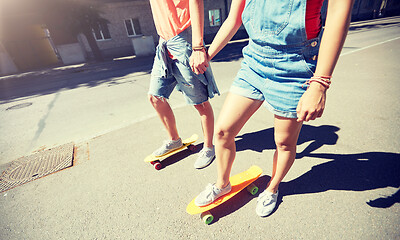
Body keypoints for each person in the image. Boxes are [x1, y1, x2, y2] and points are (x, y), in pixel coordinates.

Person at [193, 0, 355, 216]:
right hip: (254, 61)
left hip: (295, 65)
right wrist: (206, 54)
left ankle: (272, 188)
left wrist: (320, 82)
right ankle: (223, 184)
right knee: (222, 132)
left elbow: (337, 15)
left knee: (284, 143)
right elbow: (234, 18)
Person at [148, 0, 219, 169]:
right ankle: (174, 139)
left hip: (183, 39)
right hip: (163, 43)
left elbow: (196, 2)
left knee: (200, 103)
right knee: (155, 97)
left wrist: (197, 46)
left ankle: (209, 147)